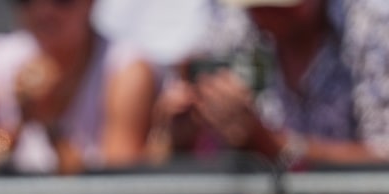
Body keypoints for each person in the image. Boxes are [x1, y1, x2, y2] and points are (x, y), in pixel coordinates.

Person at [148, 0, 389, 170]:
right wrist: (179, 139)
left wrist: (275, 146)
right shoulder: (226, 29)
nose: (264, 13)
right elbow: (159, 165)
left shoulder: (373, 32)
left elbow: (382, 159)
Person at [0, 0, 158, 174]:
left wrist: (51, 126)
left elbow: (115, 190)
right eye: (26, 0)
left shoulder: (125, 72)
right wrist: (21, 122)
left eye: (62, 0)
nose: (43, 10)